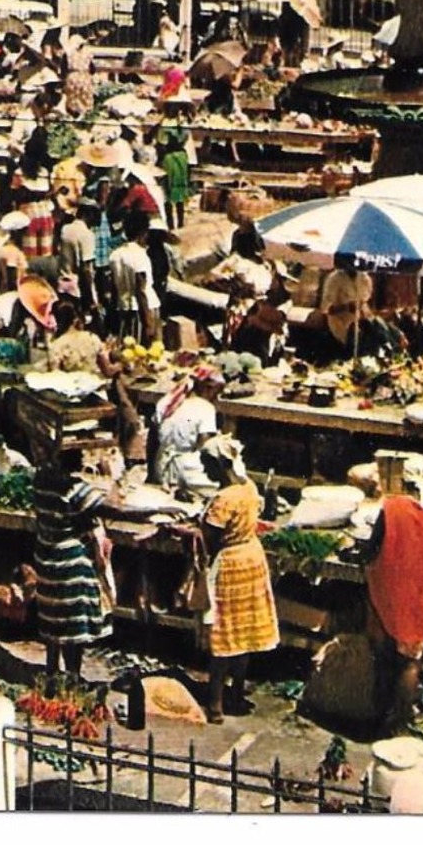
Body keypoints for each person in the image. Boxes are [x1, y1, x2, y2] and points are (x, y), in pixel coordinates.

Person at [363, 468, 423, 735]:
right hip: (420, 597)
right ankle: (399, 724)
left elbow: (372, 549)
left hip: (388, 593)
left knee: (382, 655)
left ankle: (377, 714)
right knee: (410, 661)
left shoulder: (392, 507)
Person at [198, 435, 279, 722]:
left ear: (220, 465)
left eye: (207, 465)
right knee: (244, 635)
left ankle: (215, 703)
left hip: (230, 565)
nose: (205, 472)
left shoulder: (224, 499)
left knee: (224, 634)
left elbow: (210, 538)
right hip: (252, 558)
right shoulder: (248, 487)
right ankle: (236, 693)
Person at [31, 459, 116, 678]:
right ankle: (72, 679)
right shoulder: (75, 489)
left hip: (47, 563)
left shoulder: (41, 481)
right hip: (71, 567)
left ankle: (51, 675)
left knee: (52, 626)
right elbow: (114, 510)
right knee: (72, 634)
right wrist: (158, 511)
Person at [153, 367, 223, 496]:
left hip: (162, 467)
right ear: (207, 387)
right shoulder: (206, 408)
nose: (216, 398)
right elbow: (206, 447)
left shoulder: (167, 401)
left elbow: (153, 437)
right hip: (187, 469)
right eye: (216, 392)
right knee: (222, 491)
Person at [110, 211, 159, 345]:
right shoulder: (139, 255)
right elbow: (140, 289)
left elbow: (114, 287)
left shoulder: (116, 255)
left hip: (123, 308)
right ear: (143, 232)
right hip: (142, 311)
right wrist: (148, 323)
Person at [0, 212, 31, 294]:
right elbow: (11, 276)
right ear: (17, 233)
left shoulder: (11, 247)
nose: (27, 233)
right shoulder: (11, 250)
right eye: (25, 231)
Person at [159, 130, 191, 231]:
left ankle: (170, 225)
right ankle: (180, 223)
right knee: (180, 203)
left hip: (170, 183)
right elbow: (187, 169)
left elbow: (166, 172)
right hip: (181, 182)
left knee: (168, 203)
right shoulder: (183, 155)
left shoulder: (167, 157)